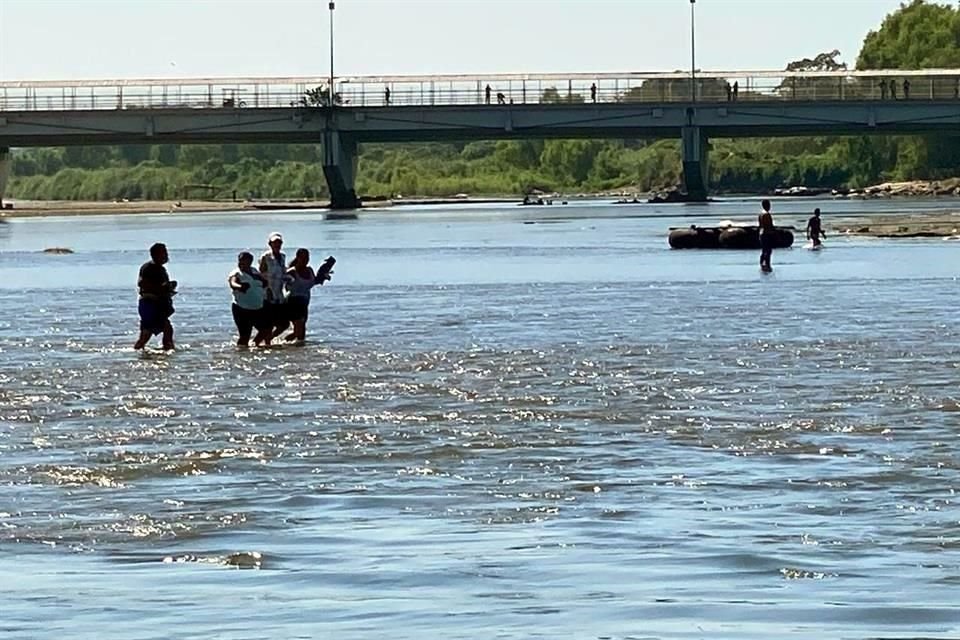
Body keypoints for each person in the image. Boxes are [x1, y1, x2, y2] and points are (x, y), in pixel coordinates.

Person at [281, 249, 335, 343]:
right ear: (298, 258)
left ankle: (292, 346)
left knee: (301, 333)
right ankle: (277, 343)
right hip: (293, 302)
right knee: (299, 330)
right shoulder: (292, 272)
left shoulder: (309, 270)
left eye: (307, 258)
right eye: (303, 258)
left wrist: (324, 276)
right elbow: (281, 284)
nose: (305, 260)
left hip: (304, 303)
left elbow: (313, 282)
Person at [134, 242, 177, 350]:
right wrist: (160, 289)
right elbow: (142, 283)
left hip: (155, 305)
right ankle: (168, 350)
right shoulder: (148, 268)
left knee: (147, 333)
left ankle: (164, 350)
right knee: (166, 328)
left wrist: (168, 287)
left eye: (166, 253)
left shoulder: (160, 269)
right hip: (150, 304)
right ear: (155, 255)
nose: (166, 256)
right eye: (164, 253)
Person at [228, 251, 271, 347]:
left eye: (244, 261)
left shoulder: (254, 271)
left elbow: (263, 281)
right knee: (245, 336)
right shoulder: (236, 273)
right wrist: (240, 286)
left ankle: (254, 345)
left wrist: (265, 286)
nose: (241, 263)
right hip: (241, 309)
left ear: (250, 262)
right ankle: (241, 352)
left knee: (266, 329)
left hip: (257, 308)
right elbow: (232, 283)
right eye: (240, 261)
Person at [259, 232, 290, 338]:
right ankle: (264, 342)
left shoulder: (283, 256)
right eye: (274, 242)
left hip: (279, 294)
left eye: (279, 242)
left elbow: (283, 272)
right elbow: (261, 275)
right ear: (270, 244)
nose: (277, 245)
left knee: (284, 324)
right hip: (268, 294)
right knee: (269, 324)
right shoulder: (265, 257)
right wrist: (267, 290)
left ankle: (269, 339)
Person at [758, 199, 775, 272]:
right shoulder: (766, 214)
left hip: (761, 234)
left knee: (764, 250)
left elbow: (760, 225)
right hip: (767, 234)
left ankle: (762, 264)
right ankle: (767, 265)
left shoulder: (760, 214)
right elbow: (769, 225)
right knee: (768, 250)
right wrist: (773, 232)